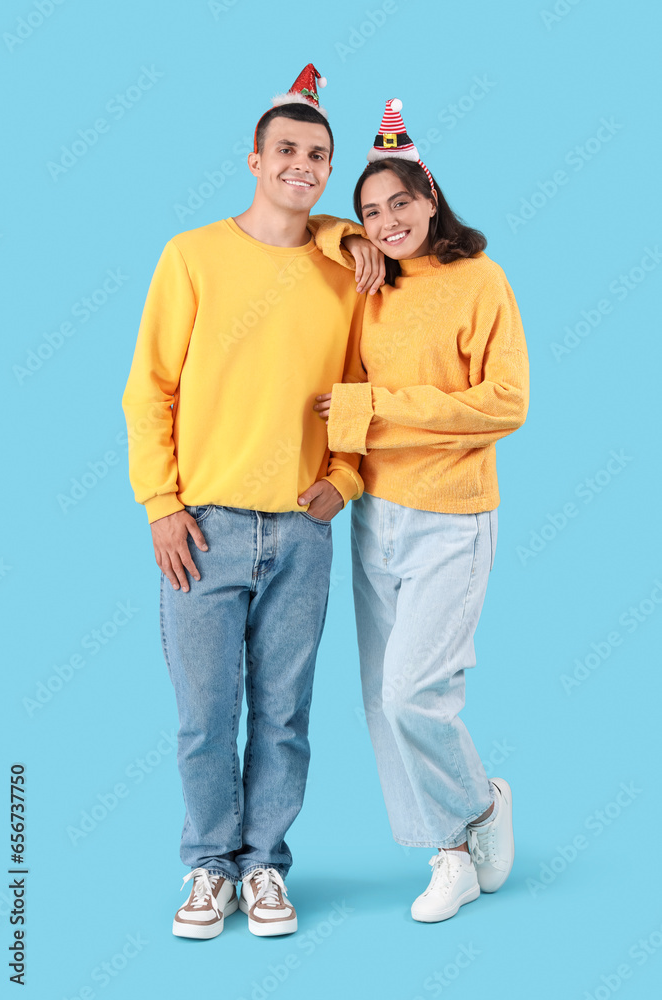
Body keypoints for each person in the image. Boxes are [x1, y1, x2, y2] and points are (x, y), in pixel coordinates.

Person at [121, 64, 383, 941]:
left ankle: (264, 865)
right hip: (204, 524)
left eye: (317, 154)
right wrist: (161, 503)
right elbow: (148, 390)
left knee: (285, 714)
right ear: (254, 159)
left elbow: (360, 384)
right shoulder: (191, 255)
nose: (299, 164)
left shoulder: (345, 270)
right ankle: (207, 867)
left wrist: (343, 479)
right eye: (285, 150)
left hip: (301, 532)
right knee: (204, 716)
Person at [312, 98, 529, 923]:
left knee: (414, 692)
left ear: (431, 197)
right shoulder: (370, 280)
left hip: (453, 514)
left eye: (400, 201)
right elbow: (310, 227)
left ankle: (477, 809)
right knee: (378, 697)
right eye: (372, 210)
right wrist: (346, 236)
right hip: (377, 518)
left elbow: (506, 402)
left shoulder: (481, 281)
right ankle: (447, 855)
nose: (387, 219)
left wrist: (375, 407)